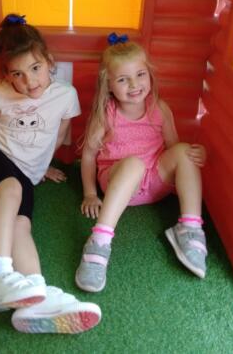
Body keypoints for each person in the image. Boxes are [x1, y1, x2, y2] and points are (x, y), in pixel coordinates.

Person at [0, 14, 101, 334]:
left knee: (22, 225)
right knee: (11, 188)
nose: (29, 81)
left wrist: (42, 167)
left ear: (49, 62)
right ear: (7, 75)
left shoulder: (66, 96)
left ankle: (36, 298)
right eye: (18, 74)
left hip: (25, 173)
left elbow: (57, 135)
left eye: (35, 69)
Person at [75, 32, 207, 293]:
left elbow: (173, 149)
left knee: (184, 151)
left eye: (140, 75)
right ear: (108, 84)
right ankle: (100, 241)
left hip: (156, 182)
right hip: (120, 182)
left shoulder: (160, 108)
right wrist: (90, 193)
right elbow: (89, 155)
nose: (134, 84)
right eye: (123, 79)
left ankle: (190, 228)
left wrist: (195, 154)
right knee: (134, 163)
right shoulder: (106, 114)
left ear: (149, 74)